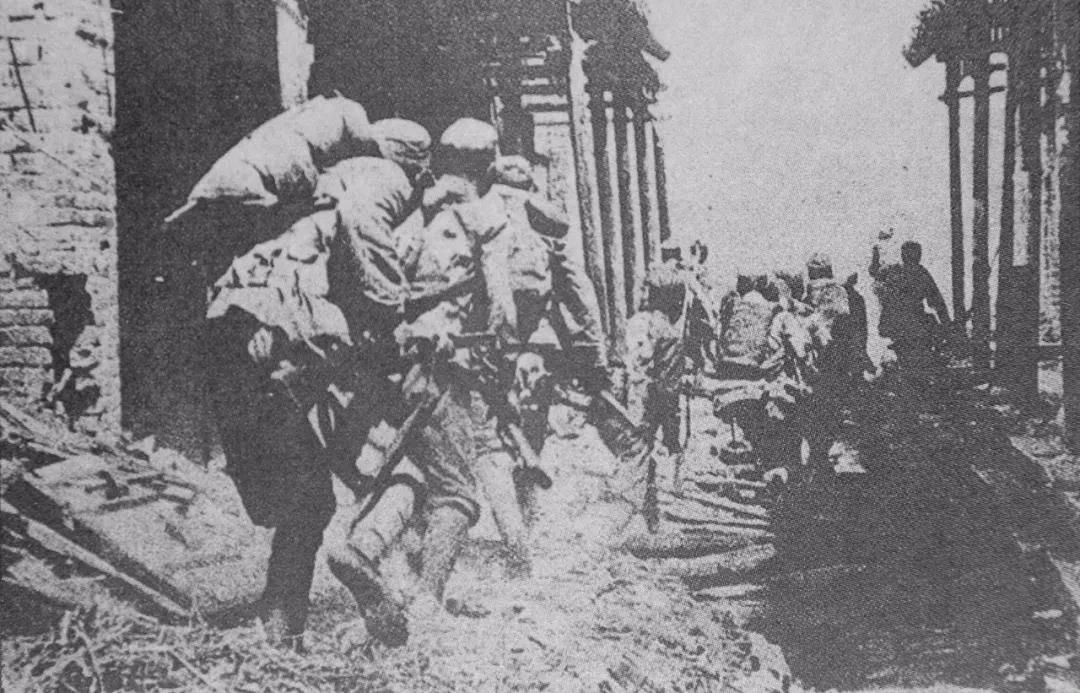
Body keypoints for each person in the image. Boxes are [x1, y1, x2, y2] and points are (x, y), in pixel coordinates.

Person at [204, 123, 437, 649]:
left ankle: (282, 631)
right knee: (311, 498)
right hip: (273, 336)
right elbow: (363, 232)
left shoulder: (330, 180)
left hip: (240, 326)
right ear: (413, 160)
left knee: (306, 497)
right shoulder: (382, 177)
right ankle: (281, 631)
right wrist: (394, 310)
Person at [873, 240, 950, 371]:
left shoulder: (892, 270)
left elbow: (874, 272)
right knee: (933, 328)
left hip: (892, 323)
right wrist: (948, 325)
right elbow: (937, 302)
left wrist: (875, 254)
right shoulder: (920, 273)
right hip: (913, 323)